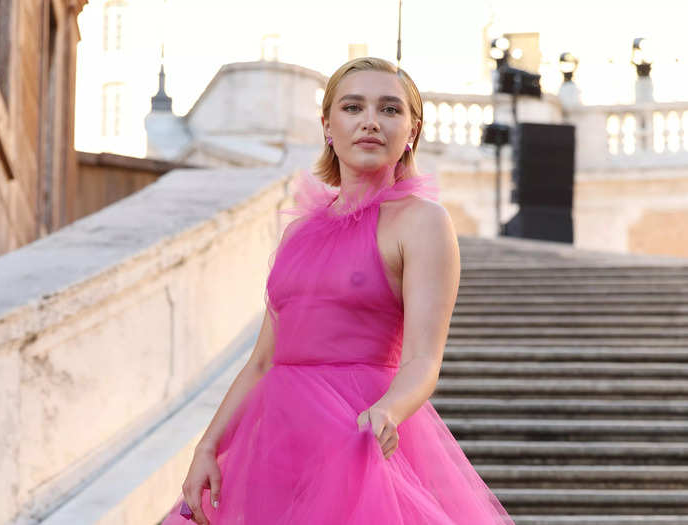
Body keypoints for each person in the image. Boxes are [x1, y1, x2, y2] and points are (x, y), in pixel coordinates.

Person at [160, 56, 516, 525]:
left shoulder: (423, 222)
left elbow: (423, 361)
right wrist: (208, 447)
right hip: (274, 444)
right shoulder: (296, 234)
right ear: (328, 125)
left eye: (390, 110)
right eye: (353, 107)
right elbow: (263, 361)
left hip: (357, 435)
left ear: (412, 130)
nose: (371, 121)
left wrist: (389, 410)